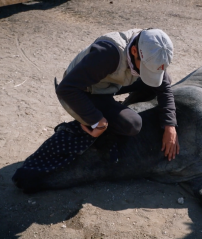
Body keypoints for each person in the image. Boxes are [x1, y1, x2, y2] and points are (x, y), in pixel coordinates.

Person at [56, 28, 180, 160]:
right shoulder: (108, 54)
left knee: (158, 81)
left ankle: (119, 108)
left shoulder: (150, 47)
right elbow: (66, 88)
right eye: (146, 69)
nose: (148, 72)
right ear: (133, 51)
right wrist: (97, 121)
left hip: (110, 82)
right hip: (83, 89)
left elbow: (164, 88)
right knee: (132, 124)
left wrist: (170, 126)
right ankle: (80, 128)